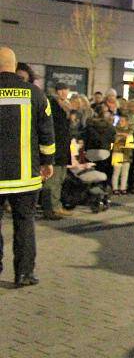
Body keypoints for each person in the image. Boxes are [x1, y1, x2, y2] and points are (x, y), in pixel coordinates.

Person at [0, 46, 55, 287]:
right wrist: (48, 162)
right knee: (24, 224)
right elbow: (47, 134)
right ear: (14, 65)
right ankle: (23, 273)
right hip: (25, 177)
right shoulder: (35, 94)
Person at [41, 83, 73, 219]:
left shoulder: (67, 106)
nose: (63, 92)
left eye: (65, 89)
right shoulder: (52, 105)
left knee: (60, 179)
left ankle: (57, 206)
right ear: (56, 91)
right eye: (61, 90)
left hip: (64, 148)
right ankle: (50, 209)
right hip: (55, 148)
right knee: (52, 180)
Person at [111, 115, 133, 195]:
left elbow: (130, 141)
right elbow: (114, 140)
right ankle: (115, 188)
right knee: (116, 171)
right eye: (120, 121)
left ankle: (123, 188)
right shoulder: (115, 130)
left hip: (127, 153)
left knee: (125, 172)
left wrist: (123, 136)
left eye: (123, 121)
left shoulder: (130, 131)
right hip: (117, 152)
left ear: (127, 122)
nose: (121, 122)